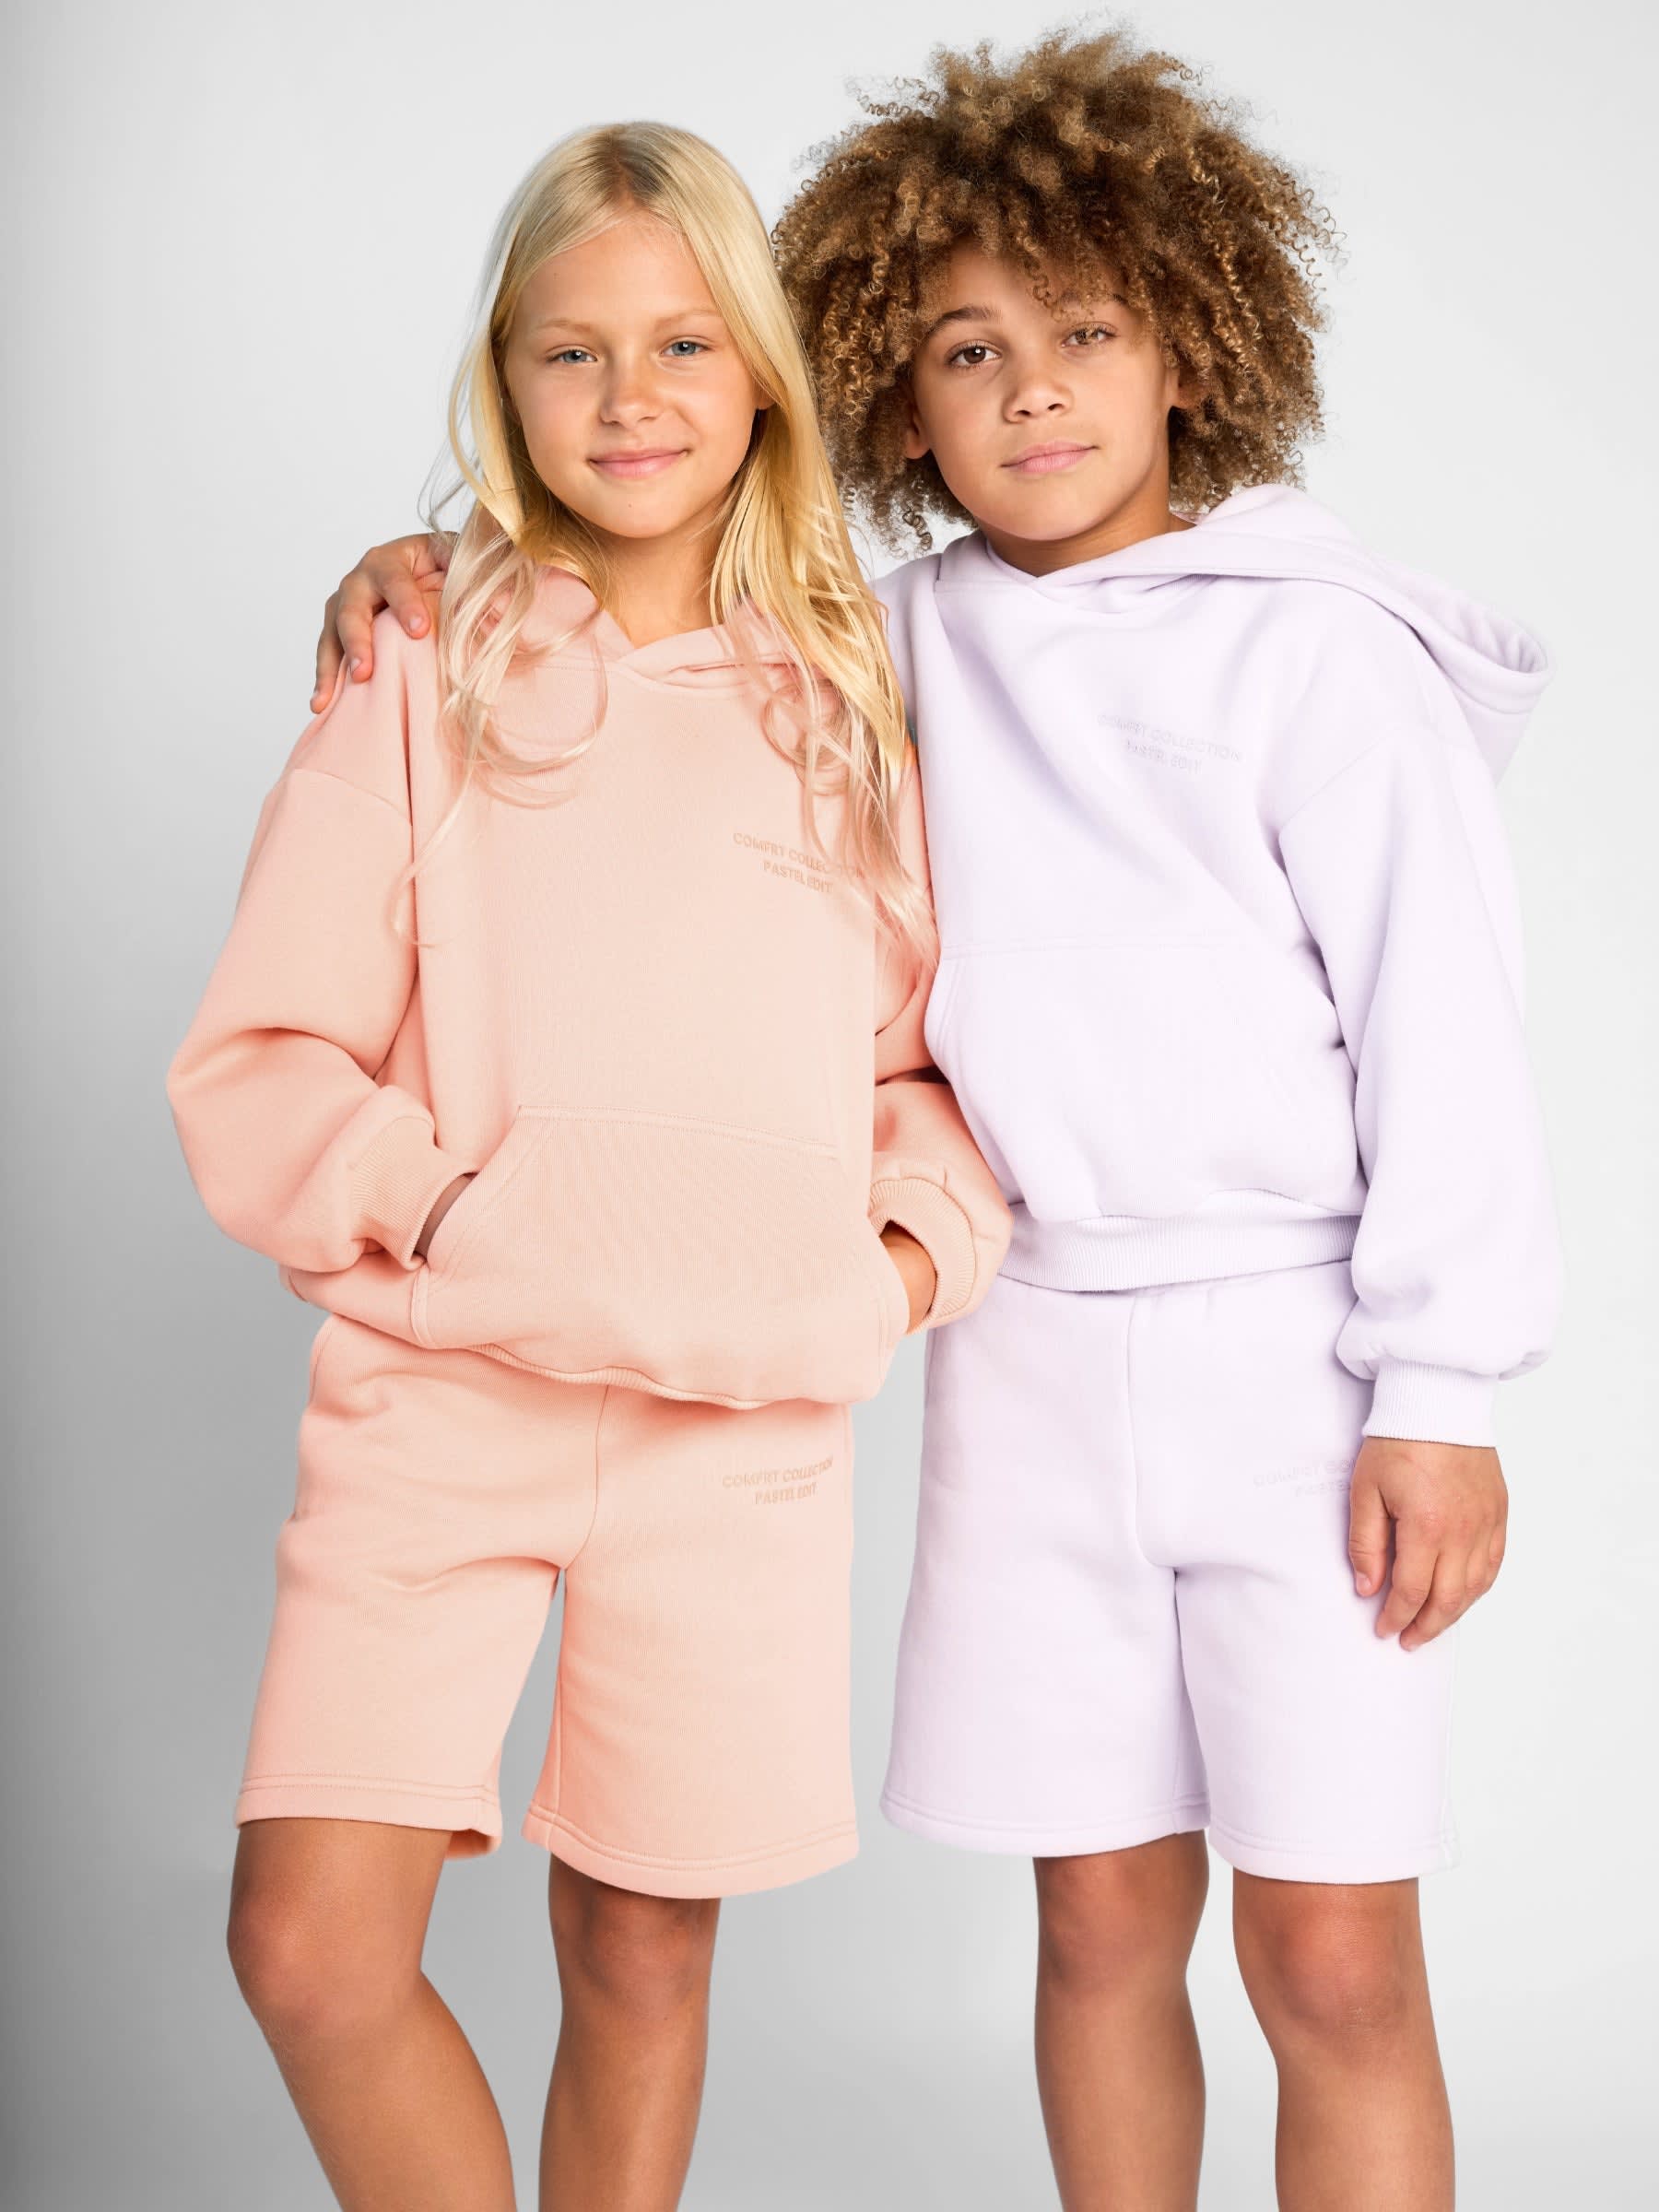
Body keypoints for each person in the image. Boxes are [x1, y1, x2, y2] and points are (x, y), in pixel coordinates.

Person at [308, 30, 1562, 2210]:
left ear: (1195, 349)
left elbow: (1444, 1033)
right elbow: (659, 642)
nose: (1034, 394)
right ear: (892, 391)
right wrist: (414, 571)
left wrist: (1440, 1394)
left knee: (1335, 1958)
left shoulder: (1323, 660)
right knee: (1094, 1929)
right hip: (1032, 1359)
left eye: (1086, 335)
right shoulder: (879, 653)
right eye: (970, 351)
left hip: (1298, 1365)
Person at [167, 119, 1008, 2212]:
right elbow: (261, 1058)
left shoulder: (858, 707)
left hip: (738, 1434)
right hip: (441, 1404)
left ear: (764, 380)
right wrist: (463, 1217)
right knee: (311, 1953)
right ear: (507, 380)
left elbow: (928, 1078)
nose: (632, 398)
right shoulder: (420, 666)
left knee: (641, 1957)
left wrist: (888, 1274)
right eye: (573, 352)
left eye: (685, 344)